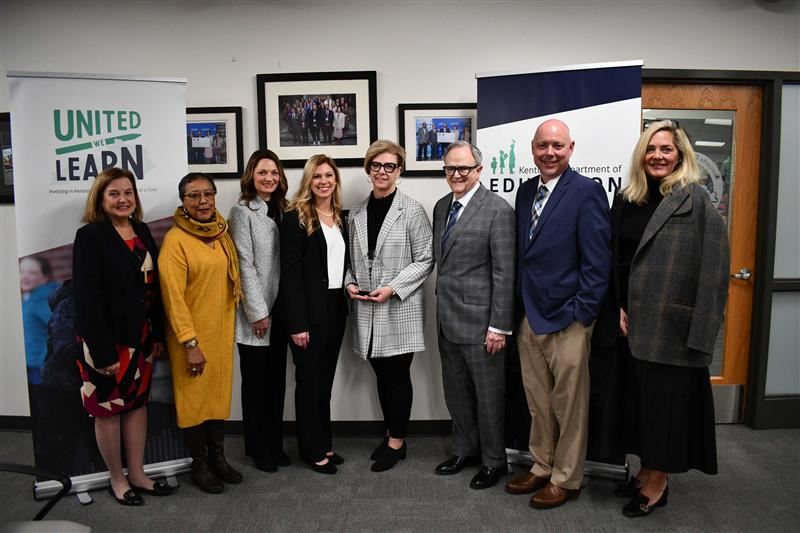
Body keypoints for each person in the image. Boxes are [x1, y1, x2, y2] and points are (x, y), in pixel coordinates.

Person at [593, 120, 729, 518]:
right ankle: (644, 471)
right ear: (641, 155)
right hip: (628, 327)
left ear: (681, 155)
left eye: (667, 149)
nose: (658, 156)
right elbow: (615, 258)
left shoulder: (696, 199)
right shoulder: (627, 197)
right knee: (637, 407)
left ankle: (657, 482)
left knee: (663, 412)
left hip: (673, 329)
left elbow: (716, 270)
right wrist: (617, 305)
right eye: (651, 149)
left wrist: (703, 336)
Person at [506, 119, 611, 509]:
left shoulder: (587, 193)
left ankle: (567, 478)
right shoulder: (526, 191)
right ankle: (542, 465)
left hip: (568, 319)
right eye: (542, 146)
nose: (549, 153)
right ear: (533, 149)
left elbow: (597, 261)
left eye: (557, 146)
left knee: (570, 405)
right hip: (529, 315)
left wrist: (582, 313)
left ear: (571, 149)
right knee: (538, 402)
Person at [72, 167, 173, 505]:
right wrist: (103, 354)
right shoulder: (90, 237)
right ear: (100, 199)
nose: (122, 199)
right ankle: (118, 479)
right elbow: (87, 299)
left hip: (140, 339)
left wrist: (156, 333)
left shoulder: (142, 230)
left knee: (136, 405)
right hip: (105, 343)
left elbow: (153, 289)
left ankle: (138, 472)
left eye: (128, 192)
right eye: (114, 193)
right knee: (108, 409)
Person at [345, 140, 434, 472]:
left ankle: (397, 442)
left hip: (399, 307)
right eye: (377, 165)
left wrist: (393, 288)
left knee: (397, 376)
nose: (382, 172)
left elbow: (426, 259)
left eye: (390, 166)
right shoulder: (355, 212)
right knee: (381, 375)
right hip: (366, 308)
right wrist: (350, 283)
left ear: (400, 171)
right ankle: (390, 433)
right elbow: (351, 260)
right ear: (368, 170)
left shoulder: (411, 210)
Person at [432, 141, 515, 490]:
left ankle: (494, 461)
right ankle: (464, 450)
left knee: (488, 396)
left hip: (483, 324)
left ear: (479, 170)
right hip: (447, 320)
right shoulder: (440, 207)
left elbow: (504, 272)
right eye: (450, 168)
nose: (457, 174)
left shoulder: (498, 209)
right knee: (457, 392)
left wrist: (499, 326)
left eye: (464, 168)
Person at [159, 173, 243, 494]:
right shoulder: (175, 242)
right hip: (190, 337)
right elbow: (173, 299)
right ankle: (199, 465)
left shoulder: (221, 232)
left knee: (218, 397)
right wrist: (190, 343)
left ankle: (218, 459)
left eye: (208, 193)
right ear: (183, 201)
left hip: (221, 333)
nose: (203, 201)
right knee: (194, 401)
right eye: (194, 196)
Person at [281, 154, 349, 474]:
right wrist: (297, 323)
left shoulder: (339, 216)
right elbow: (290, 275)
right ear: (309, 181)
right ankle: (311, 450)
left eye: (328, 175)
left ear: (335, 180)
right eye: (317, 176)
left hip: (335, 311)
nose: (323, 181)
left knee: (324, 384)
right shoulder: (296, 216)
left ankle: (324, 443)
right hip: (307, 316)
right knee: (308, 384)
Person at [228, 149, 290, 473]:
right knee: (255, 385)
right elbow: (244, 265)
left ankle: (275, 443)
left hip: (281, 312)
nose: (269, 178)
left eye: (274, 173)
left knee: (276, 383)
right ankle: (257, 447)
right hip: (257, 314)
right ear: (251, 175)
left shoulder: (284, 209)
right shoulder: (242, 213)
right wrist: (258, 313)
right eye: (263, 172)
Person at [19, 256, 59, 384]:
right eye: (21, 271)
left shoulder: (44, 298)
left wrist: (44, 360)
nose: (24, 276)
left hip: (40, 367)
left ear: (46, 277)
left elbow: (58, 331)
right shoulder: (31, 296)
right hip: (32, 364)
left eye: (33, 272)